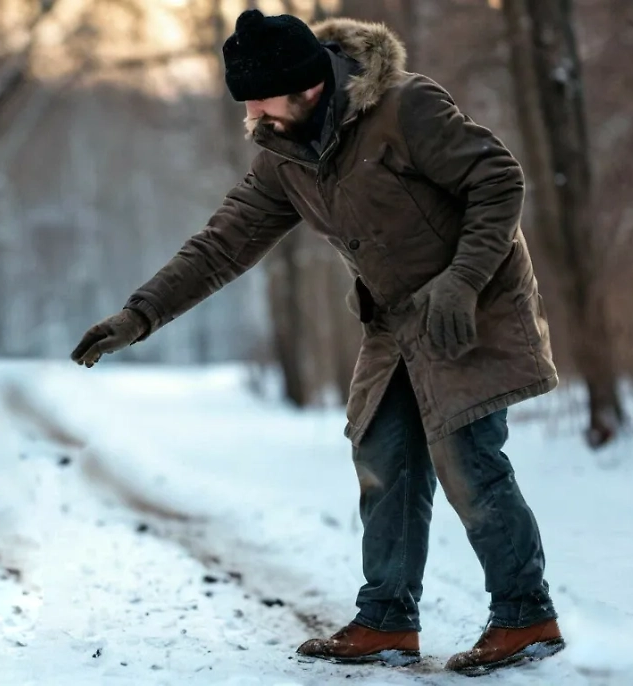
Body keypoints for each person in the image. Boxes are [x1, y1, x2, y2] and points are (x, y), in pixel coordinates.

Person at [69, 8, 566, 678]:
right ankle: (387, 619)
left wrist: (462, 281)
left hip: (468, 307)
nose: (250, 113)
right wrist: (138, 316)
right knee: (383, 456)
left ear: (307, 88)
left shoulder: (405, 108)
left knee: (467, 461)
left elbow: (498, 180)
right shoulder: (283, 156)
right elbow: (221, 246)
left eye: (259, 98)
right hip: (394, 323)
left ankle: (524, 616)